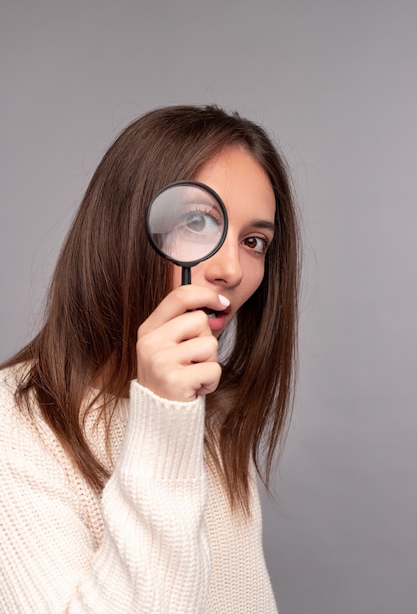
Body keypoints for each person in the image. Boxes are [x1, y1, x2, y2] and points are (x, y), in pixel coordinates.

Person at [0, 105, 300, 612]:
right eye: (198, 221)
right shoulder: (15, 425)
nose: (231, 268)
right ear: (122, 230)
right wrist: (164, 421)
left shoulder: (219, 413)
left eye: (254, 242)